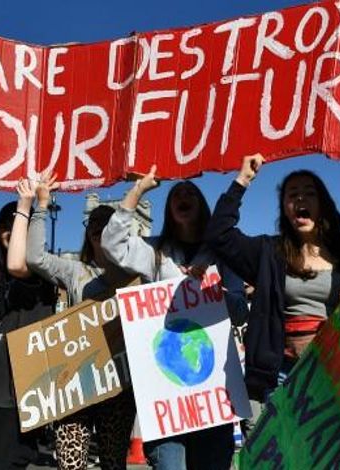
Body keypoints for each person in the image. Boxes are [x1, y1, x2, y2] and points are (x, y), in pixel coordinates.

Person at [101, 166, 248, 470]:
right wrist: (138, 190)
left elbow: (240, 310)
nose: (183, 195)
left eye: (190, 193)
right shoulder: (154, 251)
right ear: (169, 209)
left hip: (212, 395)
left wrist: (215, 293)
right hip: (166, 396)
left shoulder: (221, 252)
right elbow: (112, 245)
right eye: (176, 194)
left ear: (202, 206)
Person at [205, 155, 340, 399]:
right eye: (292, 194)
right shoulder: (268, 253)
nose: (300, 199)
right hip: (284, 376)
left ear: (323, 204)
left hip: (338, 371)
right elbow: (218, 234)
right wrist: (242, 180)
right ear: (285, 208)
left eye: (309, 193)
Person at [26, 173, 136, 470]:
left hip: (118, 381)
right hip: (75, 380)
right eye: (94, 225)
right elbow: (34, 257)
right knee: (69, 463)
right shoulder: (75, 271)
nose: (100, 229)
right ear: (88, 234)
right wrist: (41, 205)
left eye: (108, 224)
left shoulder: (136, 273)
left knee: (114, 463)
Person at [0, 180, 57, 470]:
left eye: (16, 223)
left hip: (17, 391)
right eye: (3, 225)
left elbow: (19, 263)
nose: (9, 229)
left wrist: (27, 206)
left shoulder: (39, 272)